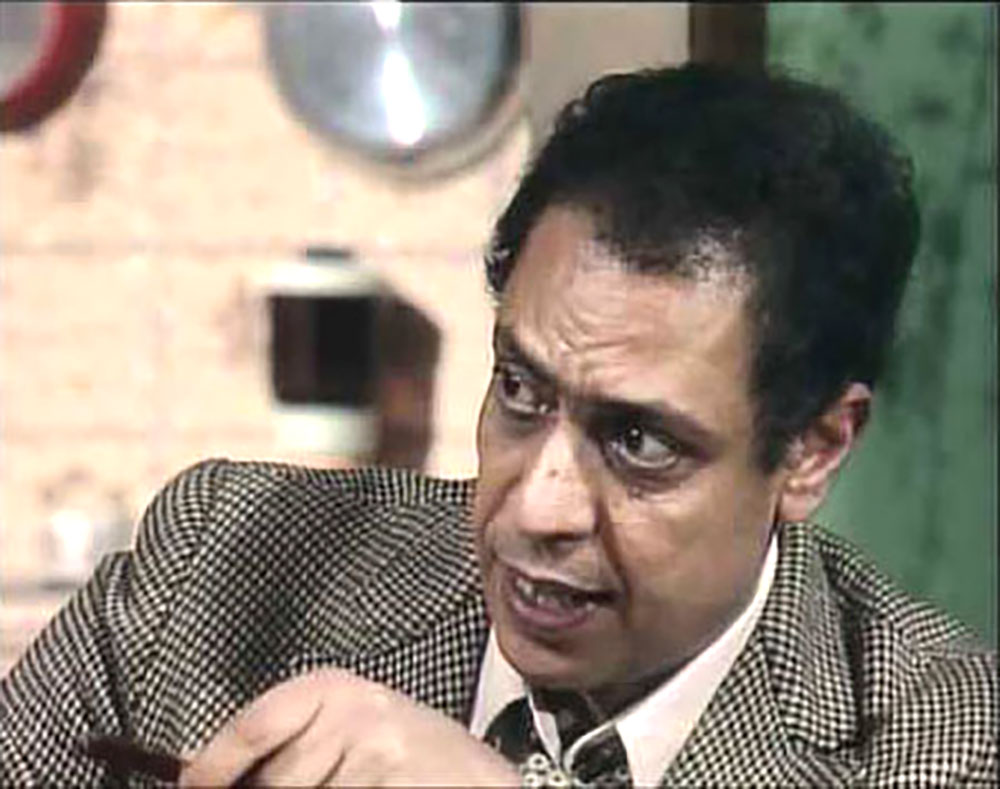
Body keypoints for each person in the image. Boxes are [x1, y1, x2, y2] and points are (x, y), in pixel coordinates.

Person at [1, 64, 996, 787]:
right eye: (521, 391)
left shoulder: (945, 743)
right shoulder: (219, 565)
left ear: (811, 451)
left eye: (640, 442)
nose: (536, 509)